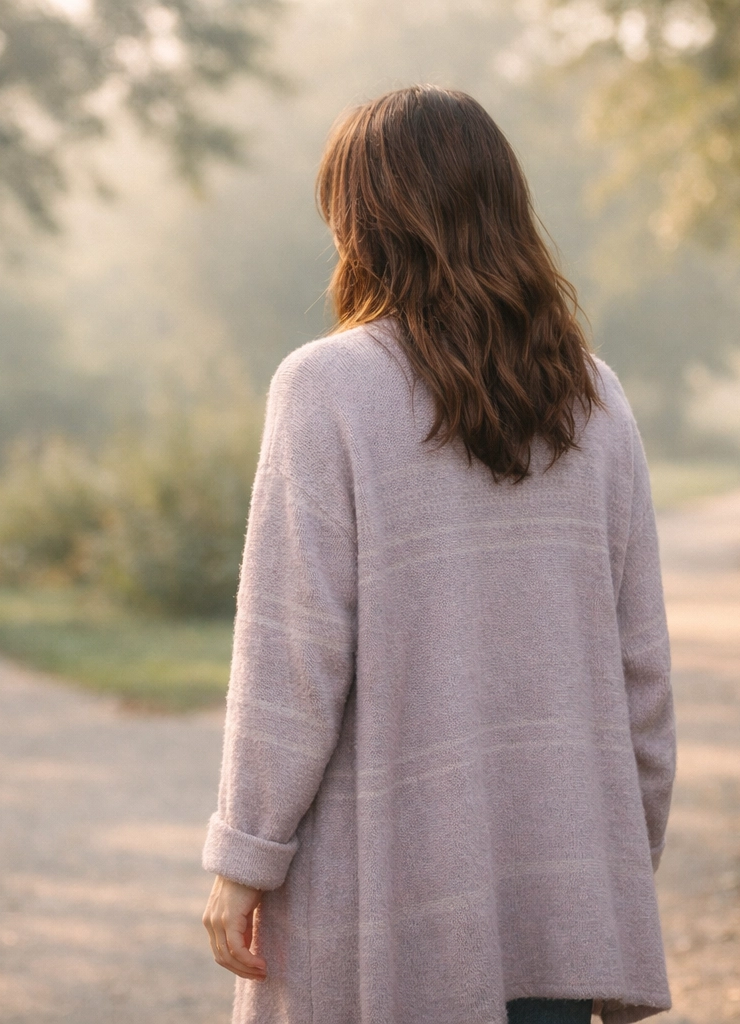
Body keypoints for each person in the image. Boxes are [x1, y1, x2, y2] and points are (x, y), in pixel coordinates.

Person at [199, 85, 676, 1024]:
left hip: (385, 912)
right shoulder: (595, 396)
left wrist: (245, 857)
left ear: (363, 222)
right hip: (562, 901)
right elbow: (642, 667)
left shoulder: (327, 386)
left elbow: (291, 657)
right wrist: (613, 863)